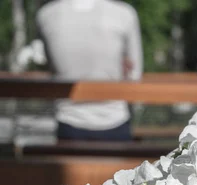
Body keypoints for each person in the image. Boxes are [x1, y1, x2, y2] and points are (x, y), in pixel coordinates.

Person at [37, 0, 143, 141]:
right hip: (115, 120)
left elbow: (51, 67)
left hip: (68, 122)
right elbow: (135, 75)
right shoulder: (124, 13)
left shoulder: (46, 14)